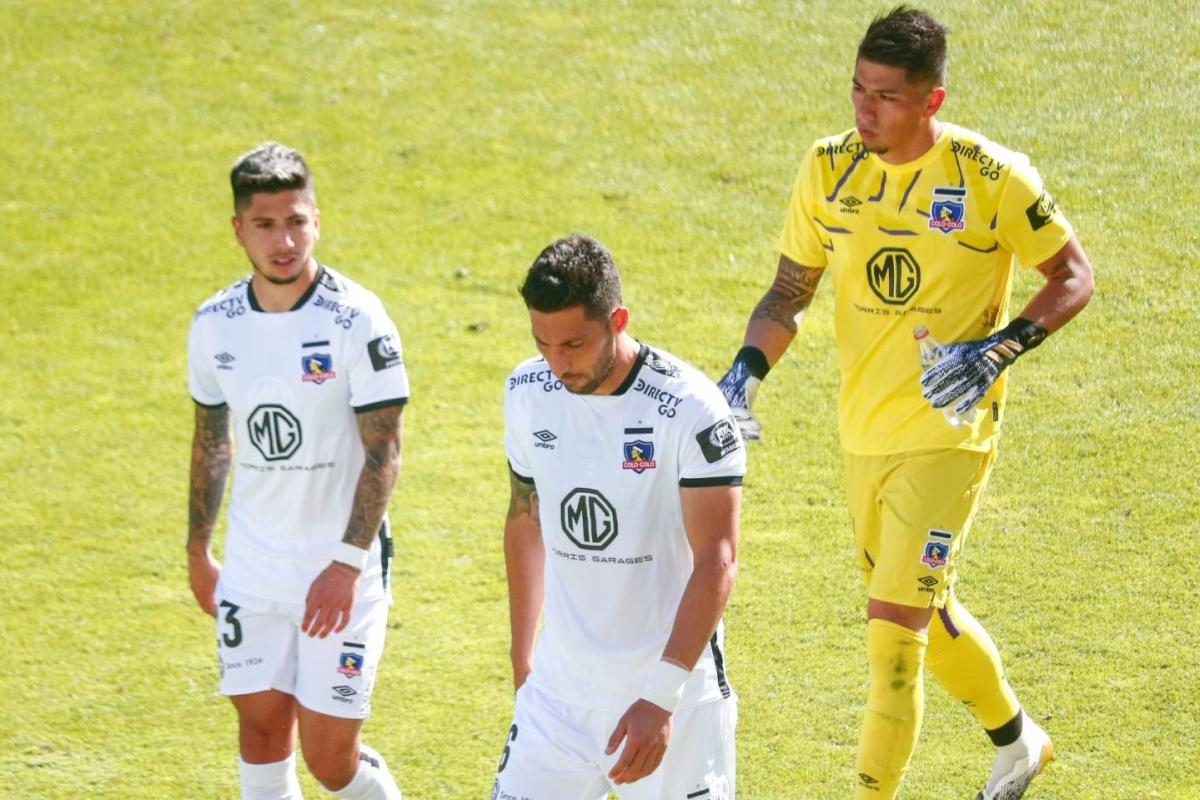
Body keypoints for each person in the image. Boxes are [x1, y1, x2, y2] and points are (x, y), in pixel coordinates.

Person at [717, 7, 1094, 800]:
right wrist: (743, 373)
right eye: (858, 88)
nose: (865, 109)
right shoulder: (828, 169)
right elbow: (789, 293)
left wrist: (999, 348)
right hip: (864, 434)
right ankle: (1019, 741)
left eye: (886, 96)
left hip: (950, 435)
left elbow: (1072, 275)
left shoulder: (991, 177)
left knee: (892, 635)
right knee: (926, 608)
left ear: (931, 100)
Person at [187, 142, 409, 800]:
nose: (283, 241)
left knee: (330, 759)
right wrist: (199, 550)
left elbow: (385, 451)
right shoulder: (214, 324)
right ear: (238, 230)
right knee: (260, 732)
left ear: (317, 219)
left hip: (339, 567)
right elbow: (211, 441)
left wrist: (345, 564)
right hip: (253, 566)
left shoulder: (356, 320)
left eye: (296, 221)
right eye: (265, 224)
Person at [495, 234, 745, 799]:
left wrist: (660, 697)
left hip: (672, 699)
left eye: (574, 344)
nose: (558, 363)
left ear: (618, 321)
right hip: (558, 698)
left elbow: (718, 560)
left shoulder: (690, 409)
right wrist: (522, 657)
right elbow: (526, 518)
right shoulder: (526, 392)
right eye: (543, 343)